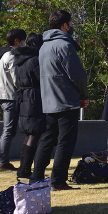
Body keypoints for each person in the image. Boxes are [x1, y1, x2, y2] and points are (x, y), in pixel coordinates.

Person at [32, 10, 89, 190]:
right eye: (71, 23)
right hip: (66, 100)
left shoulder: (44, 46)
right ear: (65, 25)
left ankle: (36, 177)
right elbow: (77, 75)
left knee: (47, 140)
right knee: (66, 141)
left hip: (48, 101)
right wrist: (83, 95)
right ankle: (57, 181)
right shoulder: (64, 45)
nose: (71, 27)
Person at [0, 28, 26, 172]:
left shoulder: (2, 54)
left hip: (2, 94)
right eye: (23, 41)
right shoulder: (11, 55)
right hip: (10, 96)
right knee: (8, 130)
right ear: (17, 41)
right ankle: (3, 162)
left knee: (8, 130)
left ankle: (3, 161)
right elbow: (16, 79)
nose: (25, 44)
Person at [12, 32, 45, 178]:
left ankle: (23, 168)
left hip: (24, 98)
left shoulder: (21, 61)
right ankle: (25, 169)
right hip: (34, 99)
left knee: (29, 135)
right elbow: (42, 79)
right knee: (34, 134)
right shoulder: (35, 60)